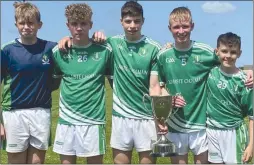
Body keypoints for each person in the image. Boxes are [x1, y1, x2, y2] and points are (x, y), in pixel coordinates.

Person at [59, 1, 186, 164]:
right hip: (121, 117)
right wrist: (66, 38)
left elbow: (154, 86)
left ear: (143, 21)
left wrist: (159, 118)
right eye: (128, 21)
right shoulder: (111, 44)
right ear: (121, 22)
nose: (132, 25)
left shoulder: (153, 48)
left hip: (145, 117)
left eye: (137, 21)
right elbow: (82, 39)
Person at [157, 7, 253, 164]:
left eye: (185, 26)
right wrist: (168, 99)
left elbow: (228, 60)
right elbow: (158, 85)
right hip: (175, 123)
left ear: (192, 26)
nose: (181, 31)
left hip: (202, 125)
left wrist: (249, 71)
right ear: (170, 29)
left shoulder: (206, 52)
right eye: (176, 27)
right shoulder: (163, 55)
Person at [51, 3, 113, 164]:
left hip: (93, 121)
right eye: (74, 24)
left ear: (90, 25)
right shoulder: (59, 52)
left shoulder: (104, 50)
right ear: (68, 25)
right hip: (67, 120)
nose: (79, 28)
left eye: (83, 23)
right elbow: (54, 83)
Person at [1, 2, 59, 164]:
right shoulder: (7, 51)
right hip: (14, 114)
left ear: (39, 25)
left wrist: (66, 39)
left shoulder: (50, 48)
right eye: (22, 23)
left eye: (31, 23)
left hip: (41, 113)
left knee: (36, 162)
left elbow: (74, 44)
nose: (26, 27)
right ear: (16, 24)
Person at [206, 32, 253, 164]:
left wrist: (251, 145)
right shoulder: (210, 72)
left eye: (233, 52)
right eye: (224, 51)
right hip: (212, 131)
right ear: (217, 51)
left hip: (235, 133)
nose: (228, 56)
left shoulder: (245, 81)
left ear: (239, 53)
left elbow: (252, 116)